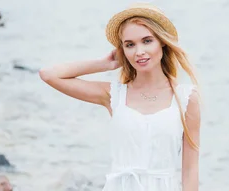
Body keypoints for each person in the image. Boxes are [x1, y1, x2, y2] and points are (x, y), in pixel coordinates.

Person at [38, 3, 201, 191]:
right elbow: (48, 74)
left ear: (162, 41)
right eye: (129, 45)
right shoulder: (114, 95)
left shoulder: (186, 98)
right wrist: (104, 64)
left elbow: (190, 170)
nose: (139, 51)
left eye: (147, 41)